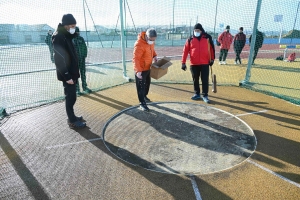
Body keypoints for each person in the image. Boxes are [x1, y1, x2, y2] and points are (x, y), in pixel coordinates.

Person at [52, 14, 86, 128]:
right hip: (68, 74)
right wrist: (67, 76)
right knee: (70, 97)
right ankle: (72, 121)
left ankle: (73, 117)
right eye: (72, 26)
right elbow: (59, 59)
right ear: (65, 25)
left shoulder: (66, 35)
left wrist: (74, 33)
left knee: (72, 97)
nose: (73, 28)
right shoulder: (58, 37)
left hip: (72, 73)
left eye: (75, 26)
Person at [181, 23, 215, 103]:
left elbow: (212, 49)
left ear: (201, 30)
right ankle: (197, 94)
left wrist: (212, 59)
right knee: (195, 80)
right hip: (194, 64)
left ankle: (205, 95)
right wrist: (183, 62)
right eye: (195, 30)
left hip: (205, 63)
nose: (196, 32)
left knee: (204, 80)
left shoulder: (207, 37)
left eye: (198, 30)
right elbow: (185, 51)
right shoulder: (190, 39)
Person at [132, 28, 158, 111]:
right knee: (141, 87)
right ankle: (142, 103)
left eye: (153, 40)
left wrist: (155, 56)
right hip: (141, 70)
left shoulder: (151, 42)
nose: (152, 41)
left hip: (148, 67)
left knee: (147, 84)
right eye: (151, 39)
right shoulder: (139, 44)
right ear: (146, 36)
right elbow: (136, 58)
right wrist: (138, 71)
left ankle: (145, 96)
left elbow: (152, 49)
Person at [73, 27, 91, 94]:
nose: (77, 33)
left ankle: (85, 87)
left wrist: (84, 56)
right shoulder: (70, 39)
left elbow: (84, 47)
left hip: (82, 60)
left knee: (83, 74)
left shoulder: (81, 39)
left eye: (78, 32)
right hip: (74, 61)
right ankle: (77, 89)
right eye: (76, 31)